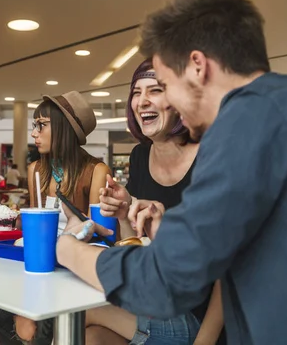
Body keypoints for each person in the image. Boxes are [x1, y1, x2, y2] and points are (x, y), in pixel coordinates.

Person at [56, 0, 287, 344]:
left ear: (197, 66)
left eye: (165, 84)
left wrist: (69, 249)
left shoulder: (248, 118)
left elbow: (164, 282)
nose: (171, 103)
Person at [82, 60, 224, 345]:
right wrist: (124, 213)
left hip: (202, 318)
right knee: (91, 338)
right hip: (156, 302)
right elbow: (137, 248)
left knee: (82, 313)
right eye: (136, 92)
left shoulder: (213, 157)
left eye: (155, 90)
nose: (142, 101)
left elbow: (229, 271)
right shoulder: (139, 157)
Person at [0, 91, 110, 344]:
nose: (34, 133)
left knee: (27, 327)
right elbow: (35, 225)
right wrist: (8, 220)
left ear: (64, 129)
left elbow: (97, 233)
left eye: (41, 125)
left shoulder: (96, 171)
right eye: (34, 125)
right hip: (34, 262)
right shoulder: (36, 170)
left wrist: (75, 231)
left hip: (71, 270)